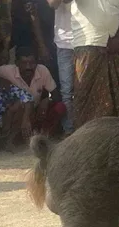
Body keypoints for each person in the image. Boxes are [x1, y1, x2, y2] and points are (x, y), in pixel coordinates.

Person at [69, 0, 119, 129]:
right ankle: (85, 138)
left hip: (117, 44)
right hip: (87, 42)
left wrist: (118, 37)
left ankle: (117, 137)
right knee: (84, 93)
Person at [0, 46, 65, 138]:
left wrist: (47, 100)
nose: (28, 67)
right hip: (20, 113)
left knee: (60, 107)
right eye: (24, 63)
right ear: (16, 63)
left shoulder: (42, 70)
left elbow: (56, 95)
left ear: (37, 63)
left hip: (37, 111)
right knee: (18, 107)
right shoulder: (5, 71)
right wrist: (2, 81)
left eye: (32, 63)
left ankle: (44, 136)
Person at [47, 0, 75, 135]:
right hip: (65, 43)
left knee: (86, 87)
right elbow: (52, 4)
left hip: (90, 41)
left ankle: (85, 129)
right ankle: (69, 131)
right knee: (67, 91)